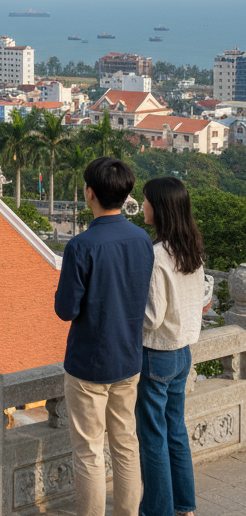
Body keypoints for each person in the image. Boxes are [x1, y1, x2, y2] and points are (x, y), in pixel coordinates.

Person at [54, 158, 154, 516]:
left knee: (89, 451)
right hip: (128, 359)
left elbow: (66, 310)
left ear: (89, 194)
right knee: (126, 445)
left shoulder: (81, 246)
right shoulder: (142, 239)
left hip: (89, 363)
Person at [138, 177, 212, 516]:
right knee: (175, 431)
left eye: (147, 201)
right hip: (183, 352)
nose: (143, 207)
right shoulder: (190, 248)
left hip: (157, 353)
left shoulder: (156, 255)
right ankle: (185, 506)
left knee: (153, 436)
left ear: (161, 208)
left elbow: (152, 317)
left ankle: (158, 510)